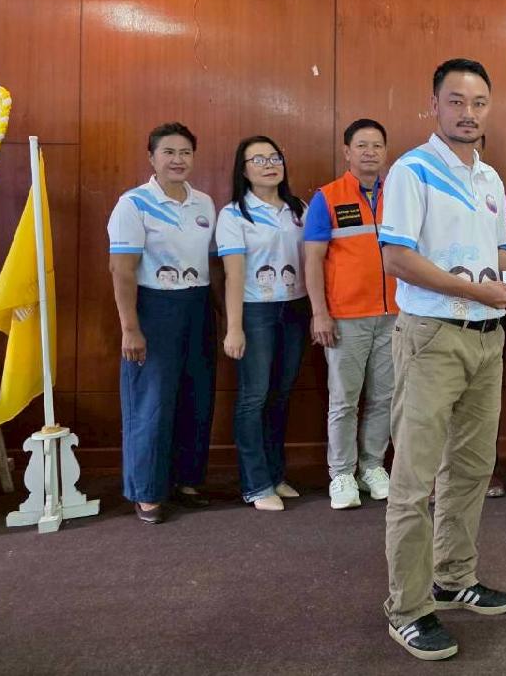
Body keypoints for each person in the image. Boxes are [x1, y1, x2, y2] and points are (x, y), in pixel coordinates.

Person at [378, 58, 506, 661]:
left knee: (471, 468)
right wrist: (478, 291)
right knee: (414, 480)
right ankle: (407, 607)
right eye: (456, 101)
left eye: (478, 103)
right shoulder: (411, 171)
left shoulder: (490, 178)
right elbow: (398, 259)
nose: (468, 114)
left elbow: (498, 255)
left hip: (488, 338)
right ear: (435, 106)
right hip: (431, 338)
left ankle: (452, 577)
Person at [107, 122, 216, 525]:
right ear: (151, 157)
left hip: (198, 305)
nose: (177, 160)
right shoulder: (133, 204)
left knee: (196, 397)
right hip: (154, 309)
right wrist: (130, 327)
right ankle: (148, 491)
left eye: (185, 152)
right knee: (152, 402)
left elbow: (215, 263)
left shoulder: (204, 203)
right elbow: (121, 269)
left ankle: (186, 481)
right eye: (168, 152)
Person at [303, 119, 399, 510]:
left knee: (384, 397)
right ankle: (341, 473)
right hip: (345, 317)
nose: (370, 152)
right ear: (347, 152)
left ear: (385, 151)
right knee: (344, 400)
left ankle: (372, 466)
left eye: (377, 145)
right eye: (362, 145)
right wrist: (320, 313)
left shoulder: (399, 194)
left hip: (393, 314)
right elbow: (313, 260)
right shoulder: (327, 198)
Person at [217, 136, 309, 512]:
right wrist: (234, 327)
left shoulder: (298, 209)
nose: (269, 165)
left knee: (281, 394)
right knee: (253, 396)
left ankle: (275, 474)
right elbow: (233, 275)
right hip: (255, 311)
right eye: (258, 160)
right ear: (243, 170)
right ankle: (256, 484)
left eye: (274, 157)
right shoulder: (234, 214)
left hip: (296, 309)